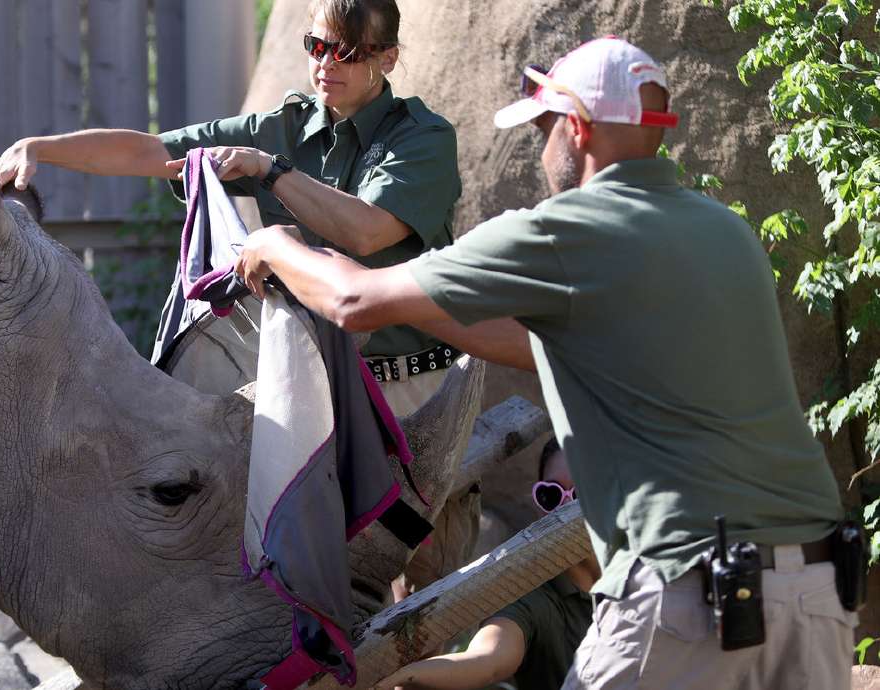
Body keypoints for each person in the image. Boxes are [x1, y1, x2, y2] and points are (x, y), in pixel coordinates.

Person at [234, 37, 854, 690]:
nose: (540, 148)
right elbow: (541, 343)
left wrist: (277, 245)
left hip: (685, 590)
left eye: (542, 128)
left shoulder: (567, 227)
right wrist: (385, 294)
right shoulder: (724, 232)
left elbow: (355, 302)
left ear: (578, 128)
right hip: (813, 590)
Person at [0, 0, 499, 592]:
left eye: (348, 51)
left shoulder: (424, 137)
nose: (325, 64)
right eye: (316, 46)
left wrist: (269, 170)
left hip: (412, 388)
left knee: (424, 582)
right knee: (306, 574)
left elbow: (367, 231)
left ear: (388, 57)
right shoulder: (284, 125)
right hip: (317, 384)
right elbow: (151, 152)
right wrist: (43, 147)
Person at [375, 439, 597, 690]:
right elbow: (486, 660)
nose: (566, 508)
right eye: (551, 495)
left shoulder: (644, 575)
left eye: (581, 495)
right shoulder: (532, 600)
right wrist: (402, 675)